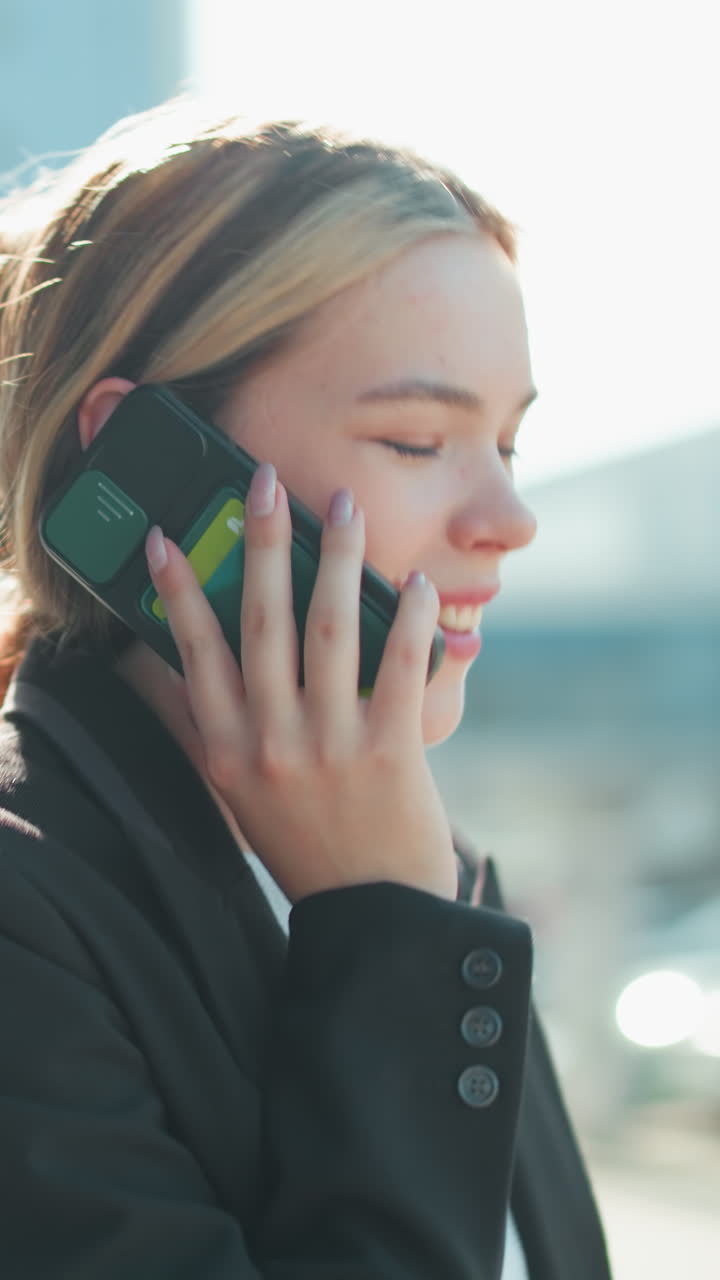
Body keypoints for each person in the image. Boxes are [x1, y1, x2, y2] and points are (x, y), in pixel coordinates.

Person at [0, 100, 612, 1279]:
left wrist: (405, 903)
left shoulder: (440, 866)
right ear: (150, 460)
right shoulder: (26, 918)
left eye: (509, 445)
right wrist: (389, 923)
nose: (509, 522)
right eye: (418, 443)